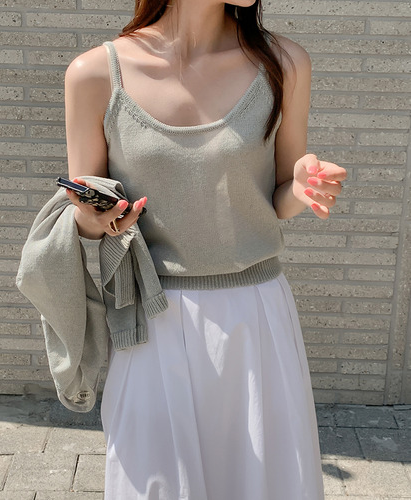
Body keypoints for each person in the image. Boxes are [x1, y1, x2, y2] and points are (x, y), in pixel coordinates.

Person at [63, 1, 346, 498]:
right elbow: (85, 214)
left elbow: (280, 195)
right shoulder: (94, 73)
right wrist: (96, 216)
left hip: (255, 314)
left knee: (264, 483)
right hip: (151, 318)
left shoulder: (284, 64)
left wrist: (301, 188)